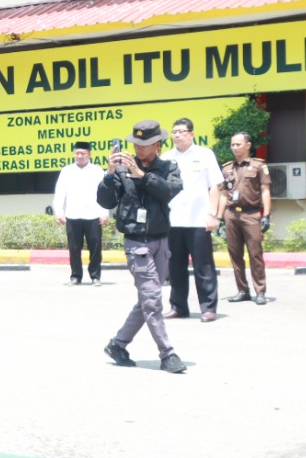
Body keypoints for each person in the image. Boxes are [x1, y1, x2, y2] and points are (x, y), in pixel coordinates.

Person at [97, 120, 186, 374]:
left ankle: (118, 344)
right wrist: (109, 173)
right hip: (136, 243)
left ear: (157, 144)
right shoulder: (122, 170)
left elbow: (169, 192)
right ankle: (167, 353)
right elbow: (105, 201)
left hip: (161, 240)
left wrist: (143, 176)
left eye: (144, 144)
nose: (137, 149)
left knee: (147, 299)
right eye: (135, 143)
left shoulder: (169, 166)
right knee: (153, 301)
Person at [160, 118, 223, 322]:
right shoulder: (166, 157)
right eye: (174, 131)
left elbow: (215, 186)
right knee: (175, 267)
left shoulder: (205, 155)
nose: (177, 135)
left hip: (199, 219)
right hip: (173, 220)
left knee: (203, 266)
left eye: (181, 131)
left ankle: (208, 308)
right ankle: (178, 307)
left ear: (192, 134)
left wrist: (213, 214)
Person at [217, 132, 272, 305]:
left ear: (248, 145)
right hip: (231, 214)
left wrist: (267, 215)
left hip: (251, 214)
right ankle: (242, 290)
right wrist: (219, 218)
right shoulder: (226, 169)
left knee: (255, 254)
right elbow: (223, 195)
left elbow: (265, 190)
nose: (234, 147)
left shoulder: (258, 166)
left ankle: (260, 291)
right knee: (235, 254)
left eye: (238, 144)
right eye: (232, 144)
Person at [53, 141, 106, 286]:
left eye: (83, 153)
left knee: (95, 248)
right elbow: (60, 193)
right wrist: (59, 212)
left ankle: (95, 276)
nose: (80, 156)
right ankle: (75, 276)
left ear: (89, 154)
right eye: (77, 153)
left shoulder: (97, 171)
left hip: (93, 215)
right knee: (74, 248)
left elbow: (104, 194)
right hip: (73, 215)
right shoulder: (67, 171)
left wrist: (104, 213)